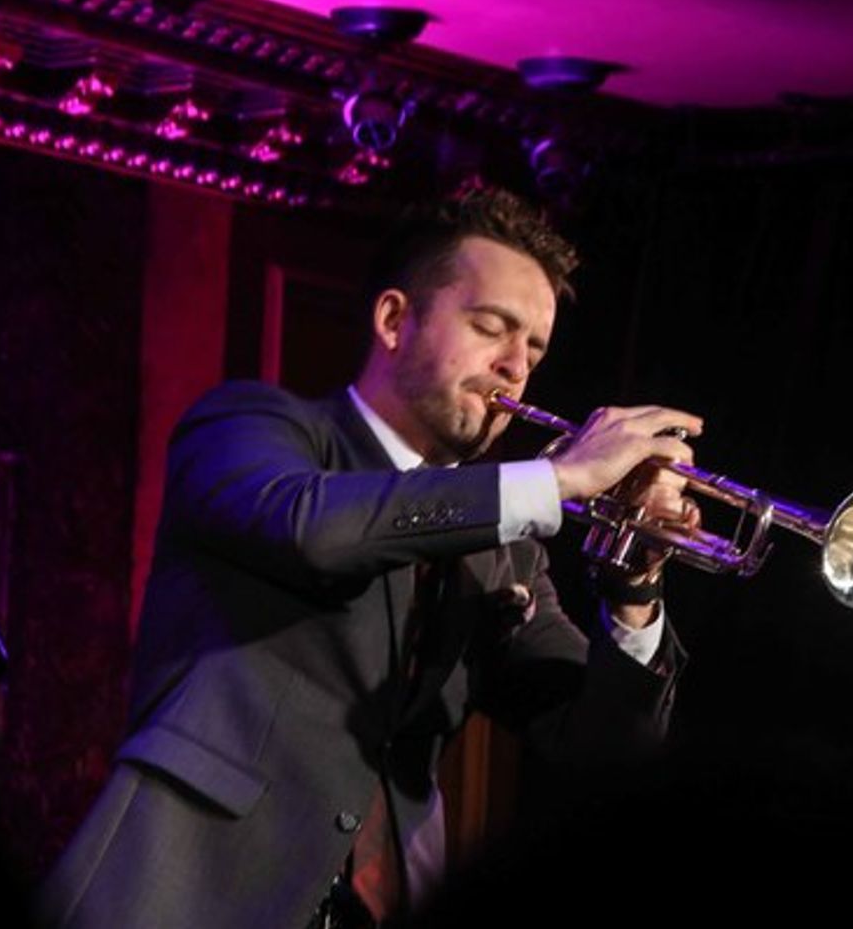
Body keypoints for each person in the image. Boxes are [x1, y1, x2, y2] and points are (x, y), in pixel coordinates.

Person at [36, 185, 703, 929]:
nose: (515, 366)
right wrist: (558, 480)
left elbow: (603, 758)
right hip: (187, 892)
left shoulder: (507, 548)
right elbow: (312, 531)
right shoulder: (253, 427)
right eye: (491, 328)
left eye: (535, 349)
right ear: (393, 320)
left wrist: (634, 588)